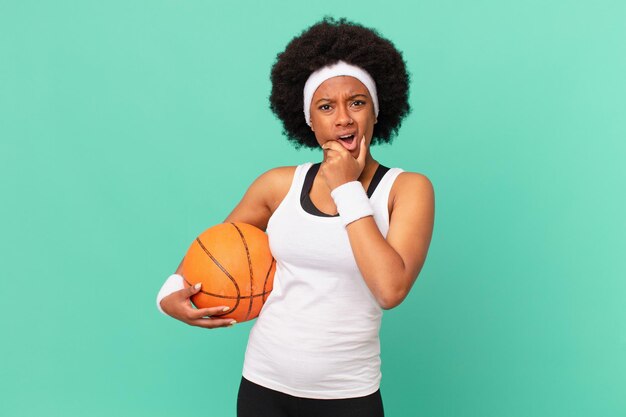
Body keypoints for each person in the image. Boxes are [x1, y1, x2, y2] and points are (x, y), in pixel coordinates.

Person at [156, 17, 435, 417]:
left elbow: (390, 290)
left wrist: (346, 187)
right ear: (308, 119)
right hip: (263, 386)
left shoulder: (408, 189)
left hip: (348, 395)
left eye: (357, 102)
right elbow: (210, 253)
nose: (343, 118)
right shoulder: (276, 186)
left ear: (376, 109)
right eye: (326, 107)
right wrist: (167, 296)